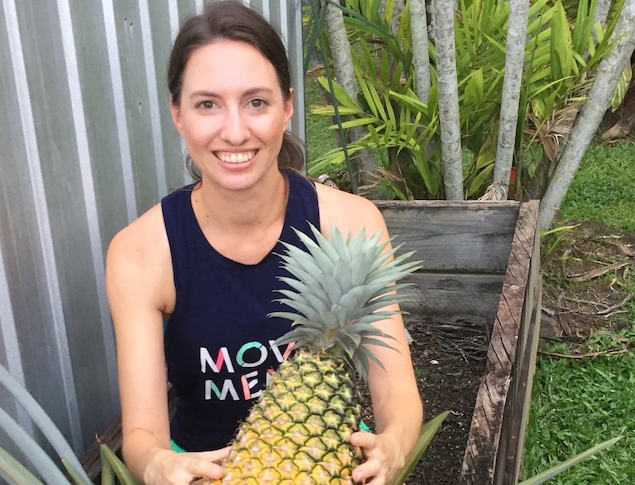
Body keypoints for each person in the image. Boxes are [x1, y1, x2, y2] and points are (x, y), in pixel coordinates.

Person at [105, 2, 422, 483]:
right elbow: (143, 433)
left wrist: (394, 445)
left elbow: (395, 389)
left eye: (256, 101)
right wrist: (158, 463)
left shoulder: (351, 223)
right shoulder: (140, 252)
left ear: (287, 106)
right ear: (177, 114)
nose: (235, 131)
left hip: (330, 461)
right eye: (207, 103)